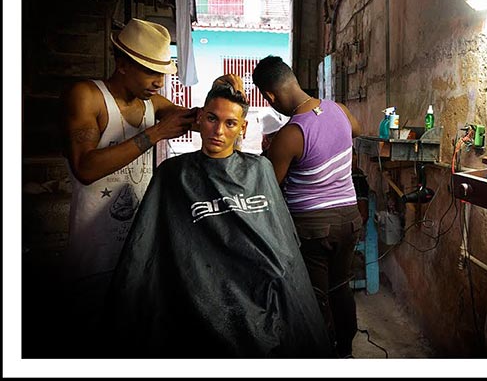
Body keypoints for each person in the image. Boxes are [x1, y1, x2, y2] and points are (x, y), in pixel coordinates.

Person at [105, 83, 332, 358]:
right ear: (199, 119)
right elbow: (150, 247)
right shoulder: (173, 174)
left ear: (243, 129)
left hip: (261, 279)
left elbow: (280, 238)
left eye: (230, 123)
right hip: (199, 284)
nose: (219, 131)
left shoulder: (259, 169)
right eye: (212, 119)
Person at [60, 17, 240, 354]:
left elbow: (201, 120)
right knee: (91, 338)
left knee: (132, 335)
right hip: (94, 247)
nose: (159, 83)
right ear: (123, 63)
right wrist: (155, 133)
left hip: (139, 242)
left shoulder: (151, 104)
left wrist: (225, 99)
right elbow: (85, 168)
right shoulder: (87, 97)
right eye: (150, 72)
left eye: (163, 73)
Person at [252, 55, 363, 358]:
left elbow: (270, 185)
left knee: (314, 297)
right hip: (350, 219)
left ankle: (320, 357)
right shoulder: (339, 110)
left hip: (314, 227)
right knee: (340, 288)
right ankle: (345, 352)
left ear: (270, 96)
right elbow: (355, 129)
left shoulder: (290, 134)